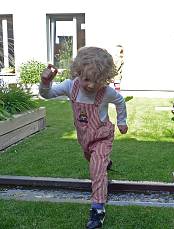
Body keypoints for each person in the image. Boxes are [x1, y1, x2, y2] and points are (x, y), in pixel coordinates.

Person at [39, 46, 128, 229]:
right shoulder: (70, 86)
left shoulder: (106, 92)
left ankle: (97, 209)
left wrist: (122, 121)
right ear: (77, 72)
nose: (91, 85)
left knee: (96, 169)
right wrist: (45, 82)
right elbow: (46, 94)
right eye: (87, 79)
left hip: (102, 136)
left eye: (97, 81)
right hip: (85, 138)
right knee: (93, 161)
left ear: (104, 78)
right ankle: (105, 164)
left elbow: (120, 101)